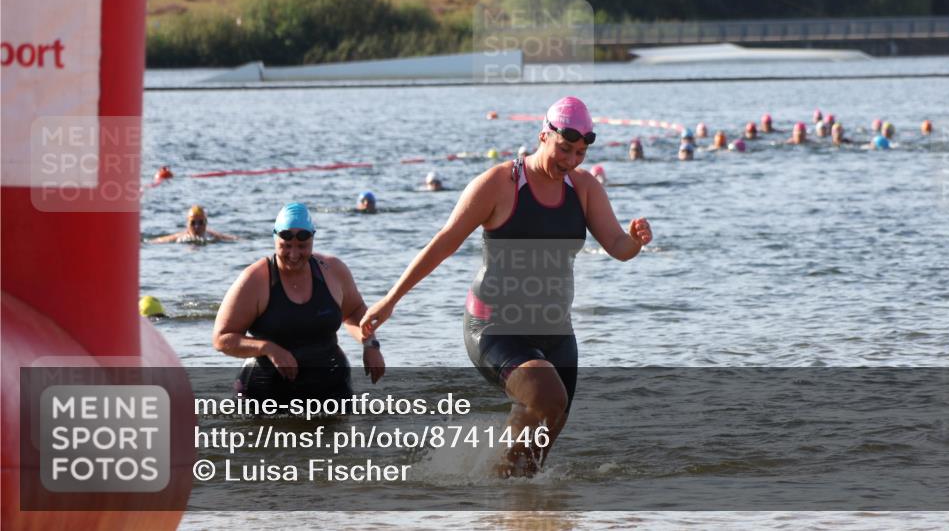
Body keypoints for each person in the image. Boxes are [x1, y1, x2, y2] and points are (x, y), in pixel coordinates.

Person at [359, 97, 652, 477]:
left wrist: (635, 241)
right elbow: (445, 241)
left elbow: (616, 246)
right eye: (564, 149)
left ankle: (511, 503)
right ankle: (489, 483)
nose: (571, 160)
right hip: (494, 327)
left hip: (555, 330)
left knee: (546, 434)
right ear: (543, 135)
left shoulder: (583, 188)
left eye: (580, 152)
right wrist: (391, 298)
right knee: (549, 398)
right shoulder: (501, 183)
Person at [213, 203, 384, 405]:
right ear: (275, 239)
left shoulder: (333, 271)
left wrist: (370, 344)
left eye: (302, 246)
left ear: (312, 239)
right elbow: (222, 339)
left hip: (331, 389)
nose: (294, 255)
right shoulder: (255, 280)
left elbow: (355, 312)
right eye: (286, 246)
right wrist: (268, 348)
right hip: (265, 395)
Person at [150, 205, 237, 243]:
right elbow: (158, 241)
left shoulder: (213, 236)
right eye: (193, 223)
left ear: (206, 223)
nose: (197, 226)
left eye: (200, 223)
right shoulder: (180, 237)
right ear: (187, 224)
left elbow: (234, 239)